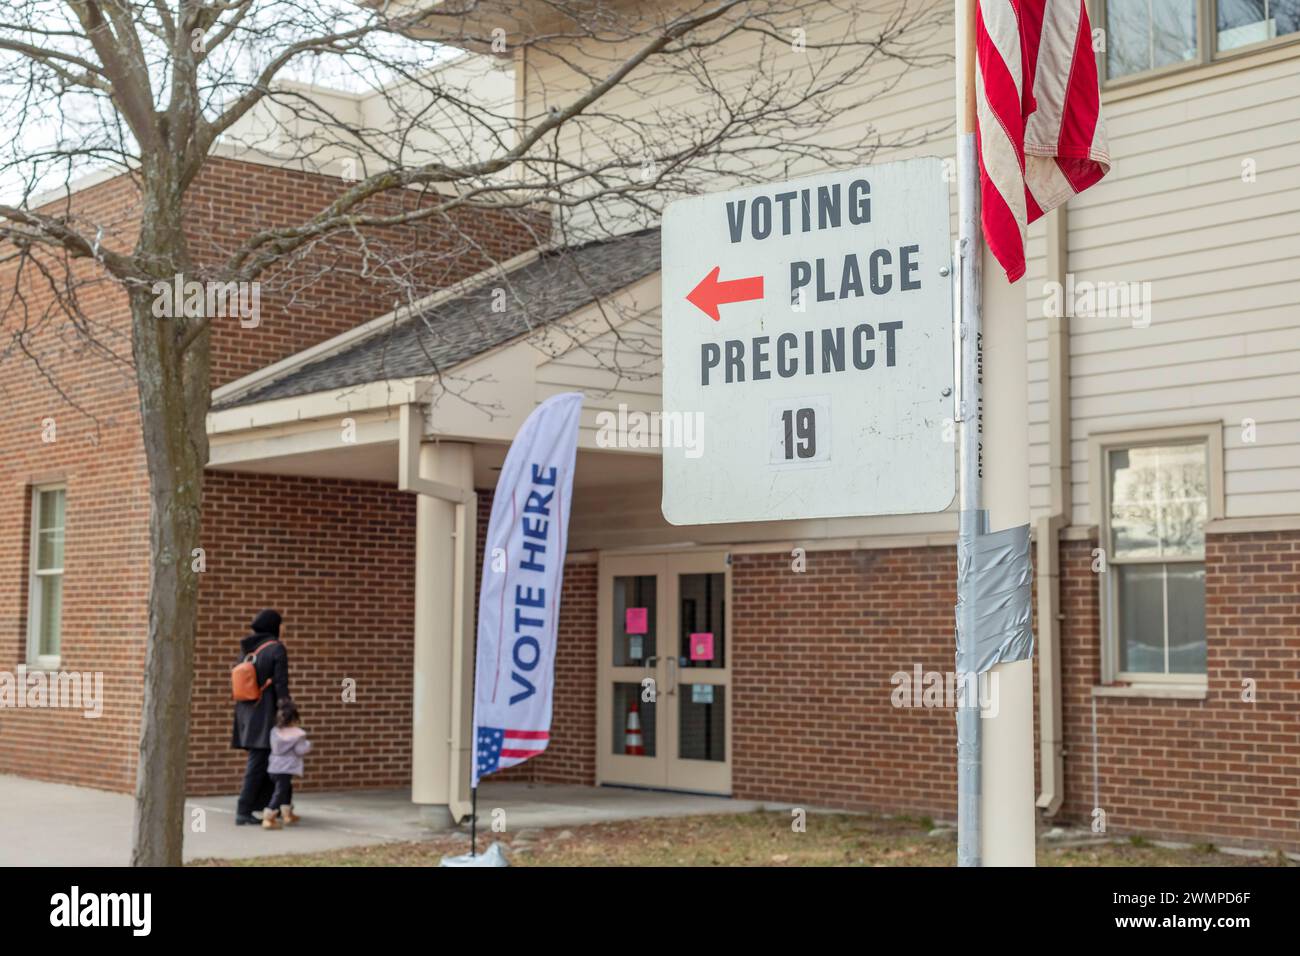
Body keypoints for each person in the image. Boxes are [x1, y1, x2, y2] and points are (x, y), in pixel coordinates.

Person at [232, 608, 290, 825]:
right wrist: (286, 713)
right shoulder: (276, 649)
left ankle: (268, 805)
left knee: (266, 760)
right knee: (259, 762)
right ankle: (244, 809)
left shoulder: (249, 649)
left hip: (246, 712)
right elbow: (281, 685)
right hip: (266, 714)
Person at [263, 698, 312, 829]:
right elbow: (300, 750)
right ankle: (269, 816)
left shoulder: (275, 732)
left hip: (274, 766)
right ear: (294, 719)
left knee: (286, 788)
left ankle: (287, 813)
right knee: (280, 791)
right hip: (287, 767)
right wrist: (307, 745)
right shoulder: (298, 734)